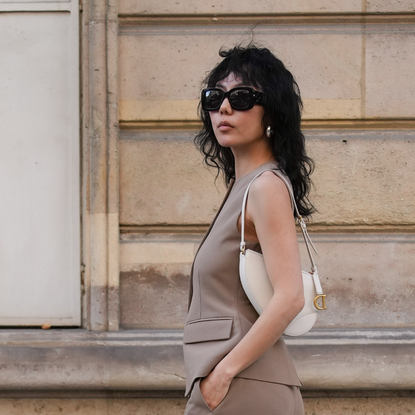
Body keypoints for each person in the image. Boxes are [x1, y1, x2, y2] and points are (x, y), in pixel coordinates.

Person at [183, 44, 315, 415]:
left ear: (271, 111)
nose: (224, 108)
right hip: (228, 383)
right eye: (214, 97)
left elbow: (290, 297)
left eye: (241, 97)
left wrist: (222, 375)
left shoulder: (265, 186)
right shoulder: (244, 188)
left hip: (240, 387)